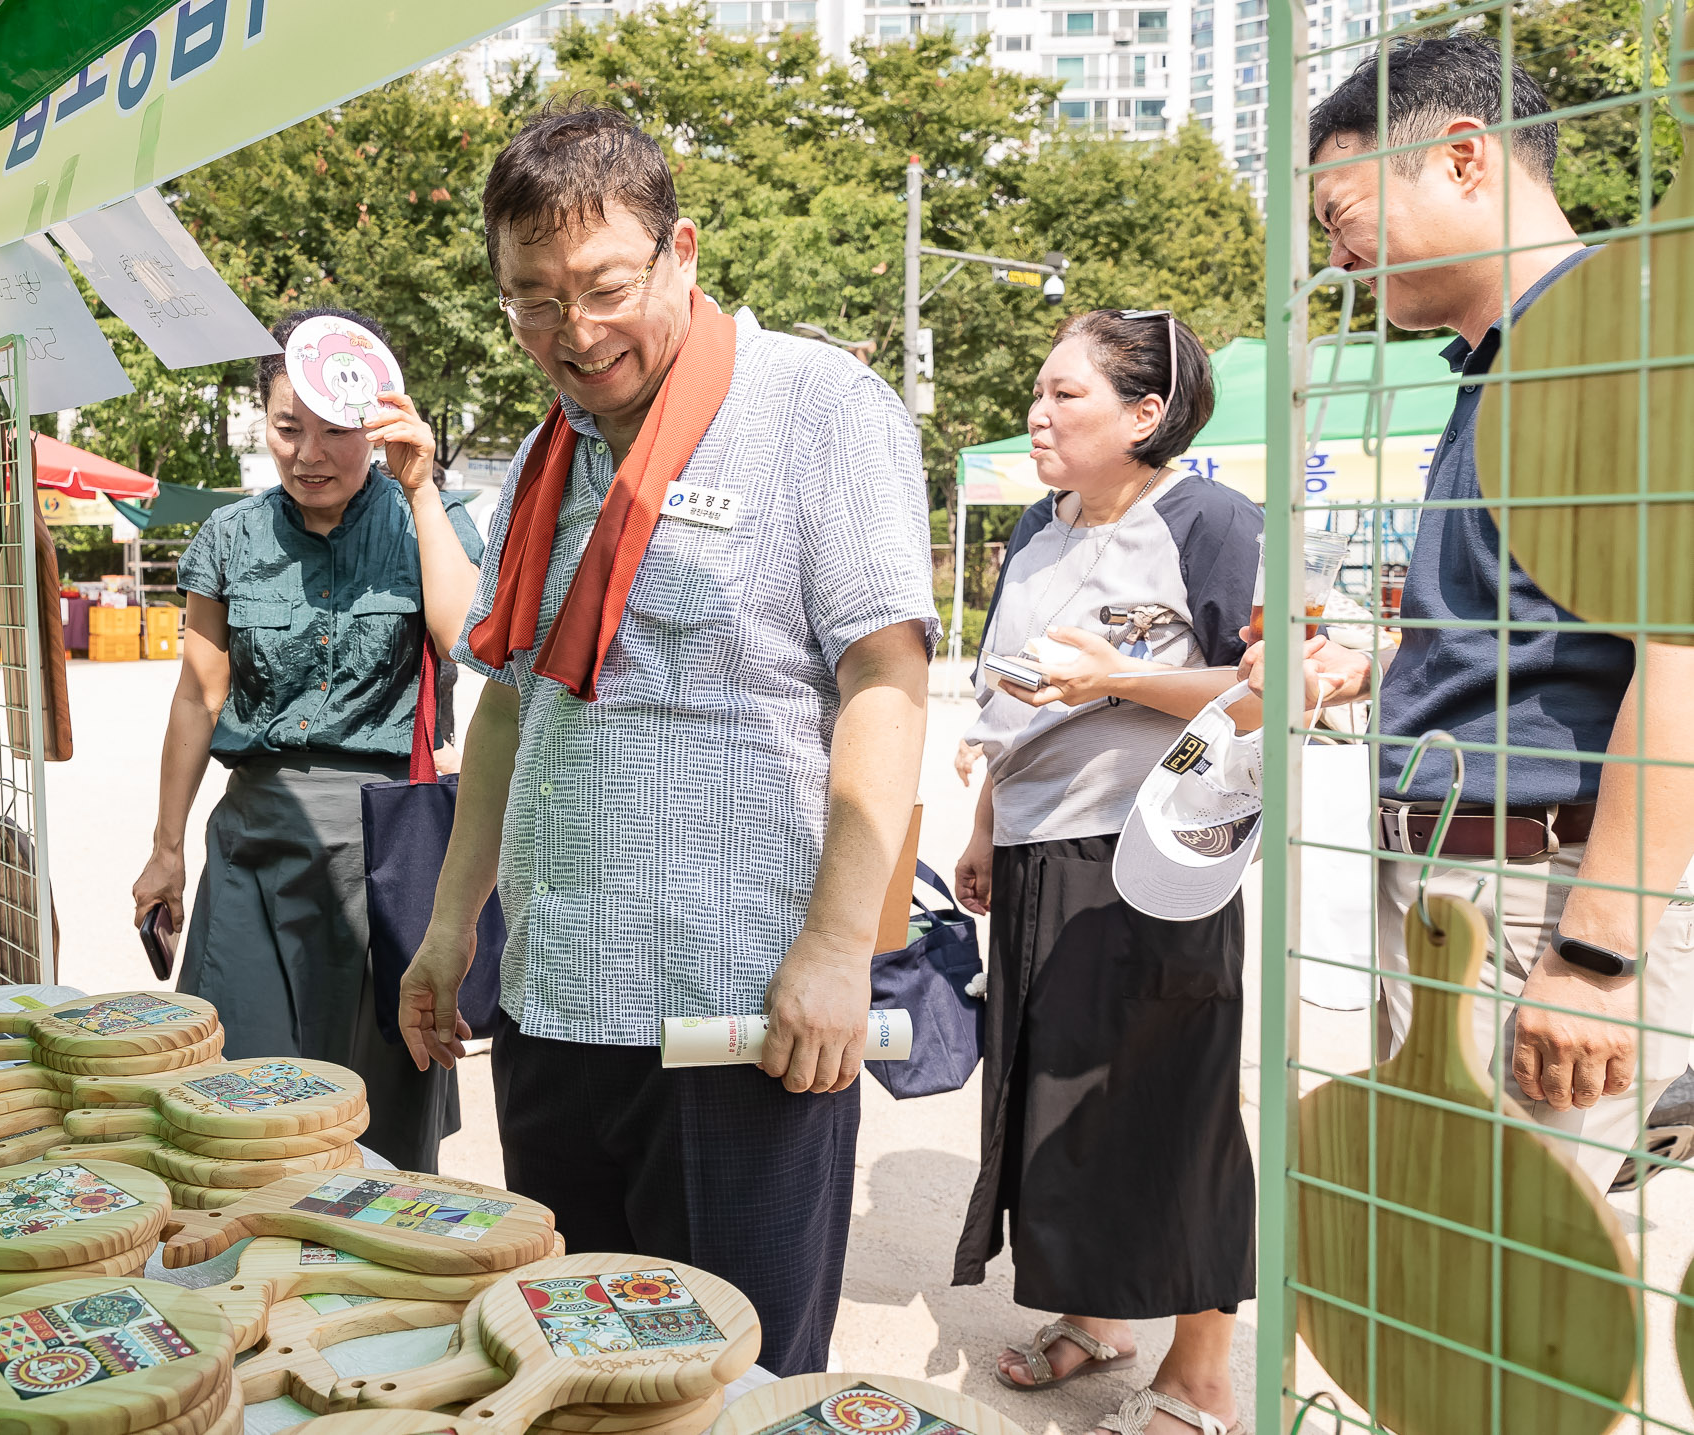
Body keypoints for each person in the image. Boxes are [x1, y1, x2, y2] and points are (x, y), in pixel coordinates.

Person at [394, 104, 937, 1376]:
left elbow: (887, 677)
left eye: (601, 288)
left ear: (680, 251)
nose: (570, 335)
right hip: (558, 1002)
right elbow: (516, 697)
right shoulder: (546, 452)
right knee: (580, 1366)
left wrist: (836, 947)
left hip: (737, 1014)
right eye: (531, 300)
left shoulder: (815, 406)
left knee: (732, 1379)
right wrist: (448, 924)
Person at [1242, 35, 1694, 1190]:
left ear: (1457, 158)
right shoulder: (1500, 362)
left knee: (1524, 1320)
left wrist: (1593, 952)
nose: (1333, 252)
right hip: (1465, 885)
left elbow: (1680, 655)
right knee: (1455, 1298)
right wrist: (1389, 657)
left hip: (1546, 888)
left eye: (1340, 210)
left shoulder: (1611, 354)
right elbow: (1556, 621)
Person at [947, 309, 1257, 1435]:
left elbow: (1274, 689)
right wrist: (988, 819)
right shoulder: (1036, 525)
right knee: (1056, 1099)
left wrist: (1123, 678)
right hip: (1036, 846)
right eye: (1038, 388)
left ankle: (1201, 1373)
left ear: (1146, 413)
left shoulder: (1213, 521)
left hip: (1156, 855)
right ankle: (1098, 1315)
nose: (1037, 409)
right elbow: (1008, 694)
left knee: (1170, 1097)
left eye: (1064, 392)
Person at [131, 310, 481, 1172]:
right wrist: (166, 847)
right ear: (264, 422)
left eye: (335, 430)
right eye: (289, 428)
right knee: (242, 1108)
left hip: (389, 853)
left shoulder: (428, 522)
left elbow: (465, 637)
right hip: (256, 845)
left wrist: (422, 490)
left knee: (384, 1120)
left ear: (376, 421)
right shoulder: (230, 537)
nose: (310, 453)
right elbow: (198, 696)